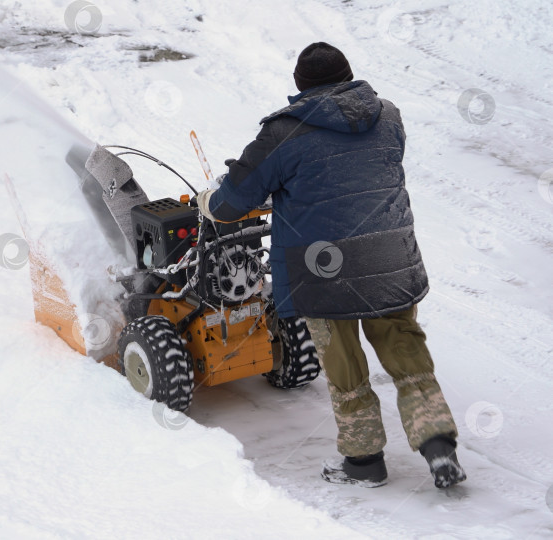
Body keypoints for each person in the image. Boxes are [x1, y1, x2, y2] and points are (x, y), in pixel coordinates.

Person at [196, 42, 466, 488]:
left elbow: (233, 203)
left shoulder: (282, 133)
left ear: (299, 87)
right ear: (348, 75)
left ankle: (364, 462)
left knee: (344, 365)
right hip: (390, 254)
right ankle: (439, 447)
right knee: (406, 350)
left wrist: (211, 200)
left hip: (323, 270)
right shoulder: (389, 116)